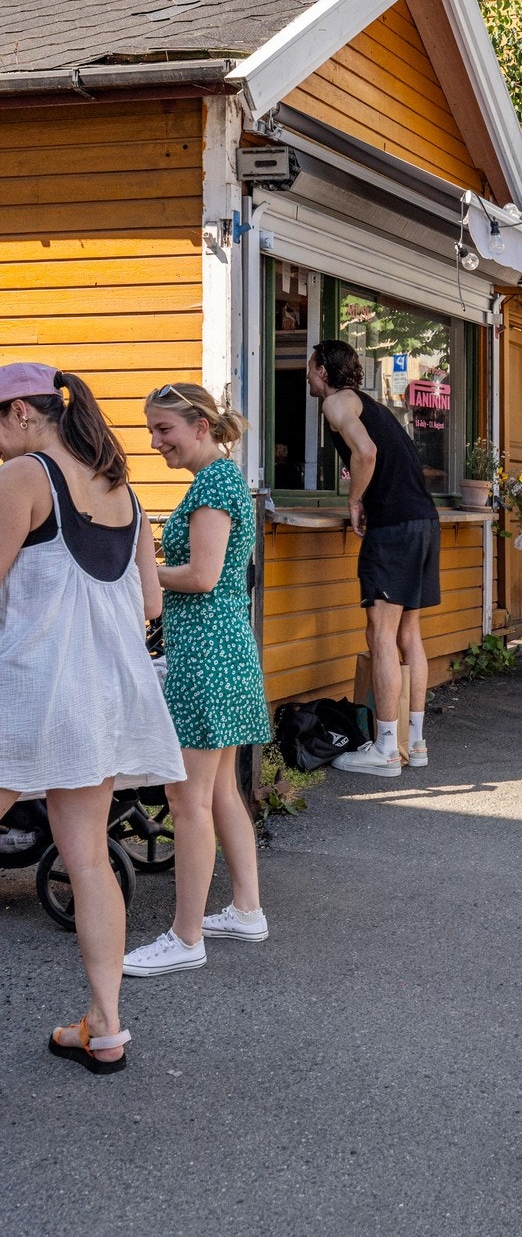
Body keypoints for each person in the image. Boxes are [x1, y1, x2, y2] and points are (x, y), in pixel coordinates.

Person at [0, 363, 184, 1071]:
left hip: (28, 693)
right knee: (87, 859)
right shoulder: (123, 492)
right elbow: (150, 603)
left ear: (21, 412)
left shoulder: (26, 477)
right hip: (100, 699)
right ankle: (105, 1027)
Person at [124, 384, 271, 977]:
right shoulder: (221, 479)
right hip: (223, 653)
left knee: (187, 800)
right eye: (152, 431)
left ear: (200, 427)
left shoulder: (212, 485)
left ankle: (185, 939)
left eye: (164, 429)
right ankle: (246, 910)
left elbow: (204, 575)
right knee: (219, 792)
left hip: (208, 659)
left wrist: (140, 568)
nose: (156, 441)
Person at [307, 340, 440, 776]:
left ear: (322, 371)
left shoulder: (337, 402)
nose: (307, 376)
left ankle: (385, 749)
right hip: (423, 521)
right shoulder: (372, 405)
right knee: (409, 634)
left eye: (310, 367)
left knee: (381, 635)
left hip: (394, 527)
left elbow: (365, 453)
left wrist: (354, 500)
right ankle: (414, 744)